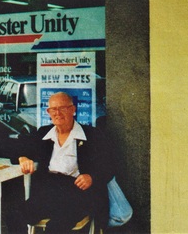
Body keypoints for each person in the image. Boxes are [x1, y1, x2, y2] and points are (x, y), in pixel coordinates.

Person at [6, 92, 113, 233]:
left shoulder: (92, 135)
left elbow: (109, 165)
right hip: (48, 190)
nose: (57, 113)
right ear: (48, 112)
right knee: (14, 216)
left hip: (78, 193)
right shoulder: (44, 133)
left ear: (73, 110)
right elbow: (17, 147)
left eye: (62, 108)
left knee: (56, 227)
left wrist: (92, 177)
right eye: (53, 109)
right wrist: (22, 158)